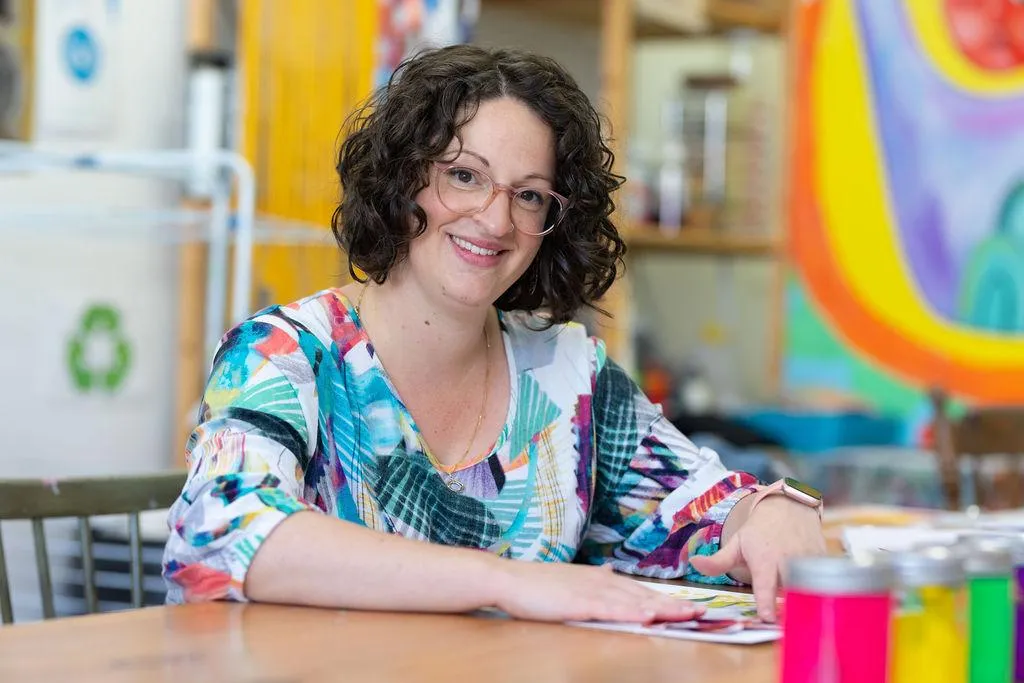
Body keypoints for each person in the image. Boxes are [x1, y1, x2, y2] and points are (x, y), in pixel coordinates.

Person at [162, 44, 825, 624]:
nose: (496, 220)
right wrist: (507, 581)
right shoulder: (284, 355)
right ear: (402, 181)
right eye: (464, 176)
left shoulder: (570, 379)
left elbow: (704, 513)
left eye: (529, 194)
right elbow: (222, 533)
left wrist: (776, 510)